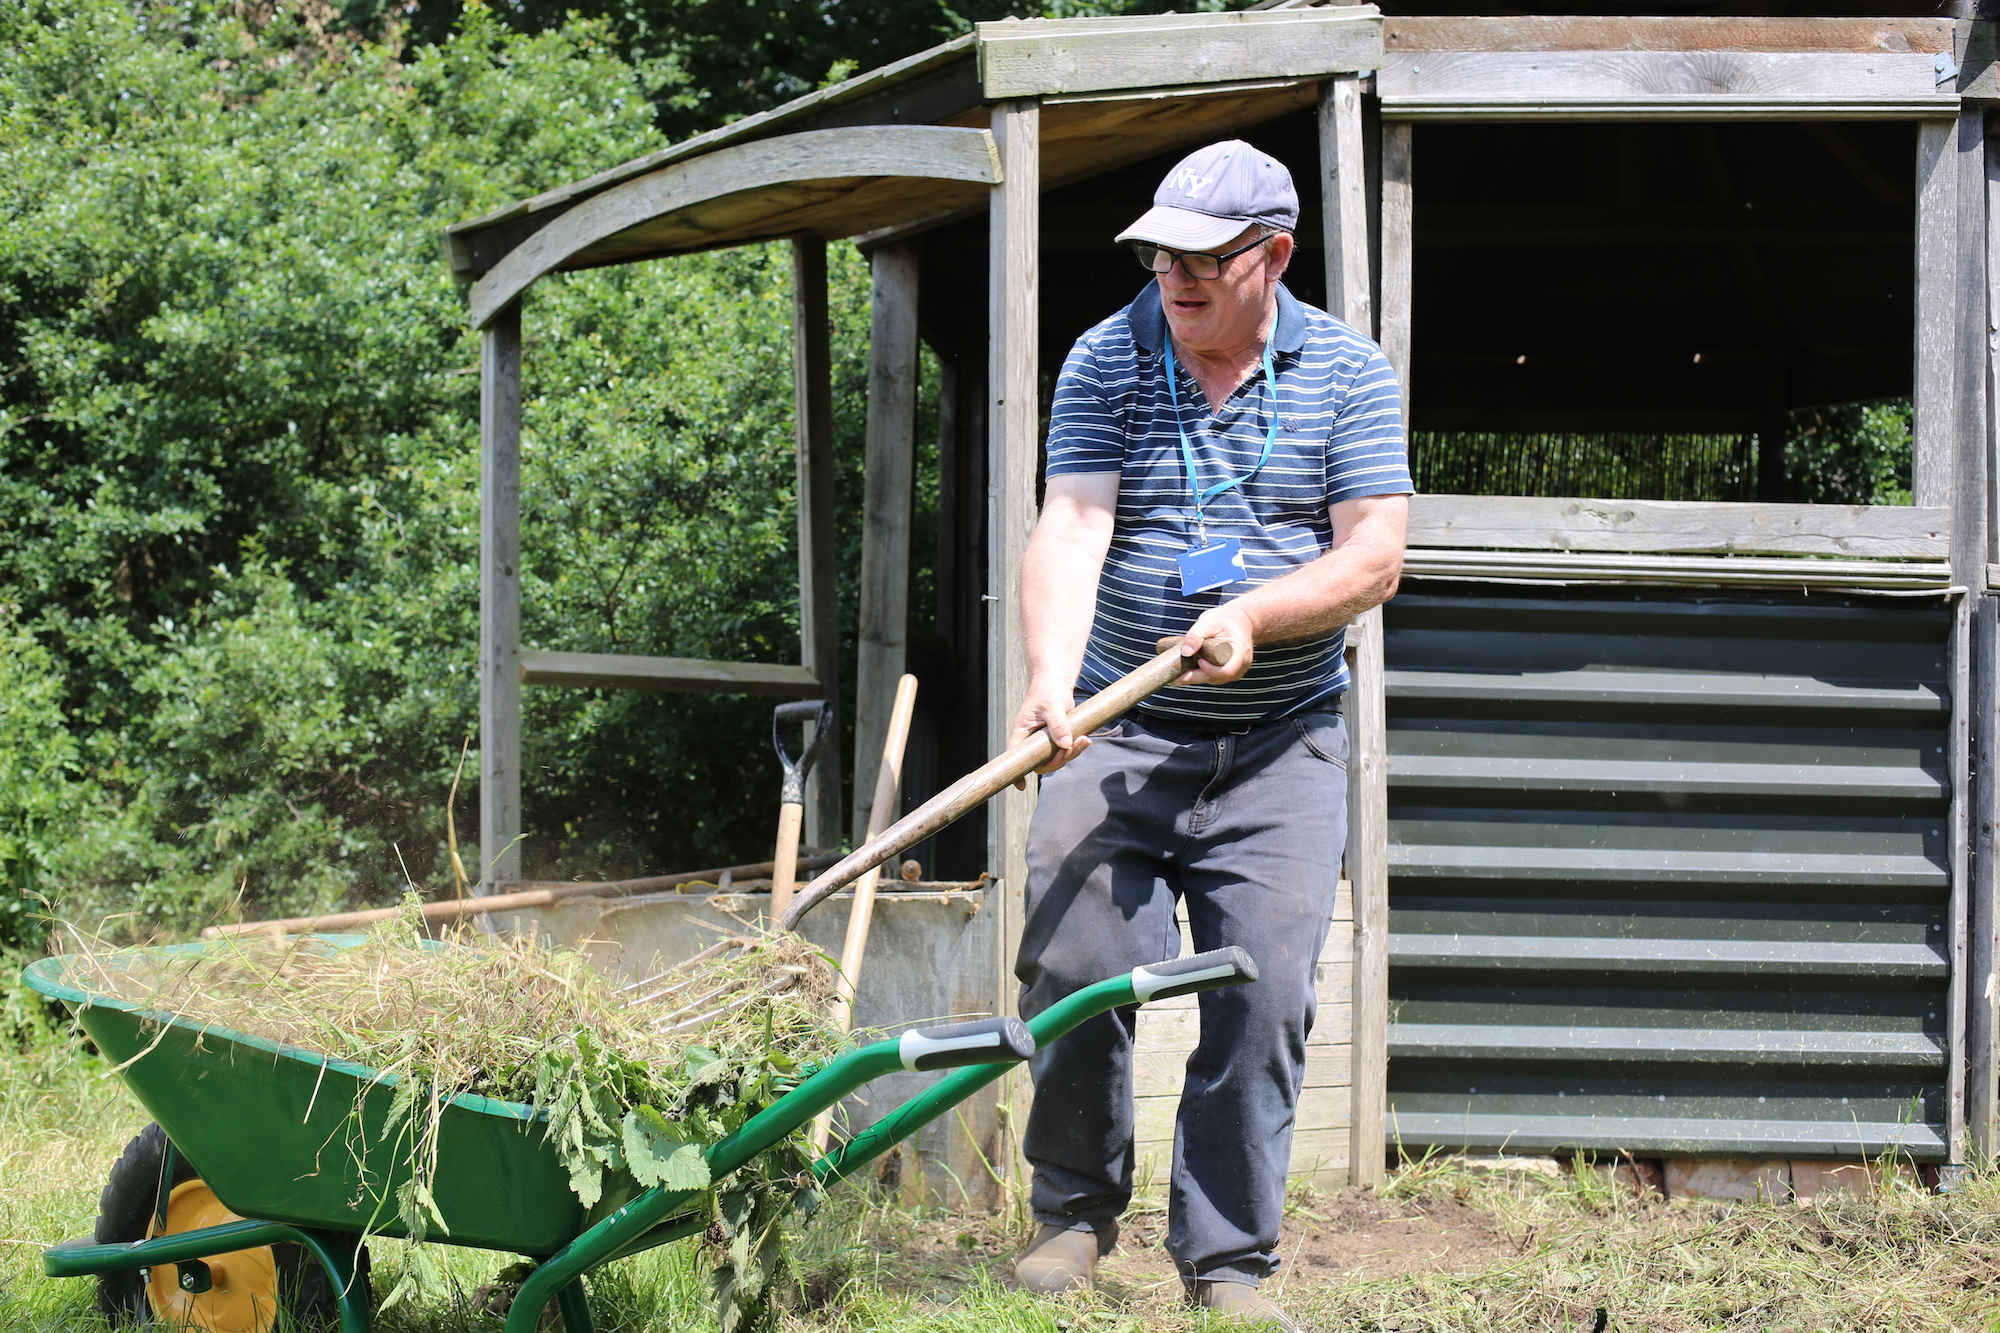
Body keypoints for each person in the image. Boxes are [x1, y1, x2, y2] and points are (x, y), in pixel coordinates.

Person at [1006, 139, 1411, 1331]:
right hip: (1118, 731)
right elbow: (1072, 523)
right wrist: (1048, 680)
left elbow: (1371, 557)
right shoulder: (1107, 356)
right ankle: (1072, 1215)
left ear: (1270, 255)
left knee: (1265, 990)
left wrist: (1252, 613)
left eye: (1199, 258)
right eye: (1157, 253)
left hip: (1279, 743)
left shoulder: (1345, 373)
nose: (1172, 276)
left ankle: (1226, 1257)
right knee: (1071, 970)